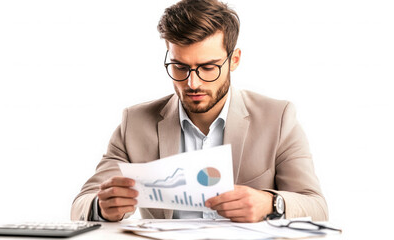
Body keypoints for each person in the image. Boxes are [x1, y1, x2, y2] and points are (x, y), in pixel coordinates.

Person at [71, 0, 328, 223]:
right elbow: (81, 204)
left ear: (234, 60)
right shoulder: (136, 123)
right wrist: (102, 207)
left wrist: (271, 204)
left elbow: (316, 207)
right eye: (180, 67)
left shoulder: (278, 118)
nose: (192, 83)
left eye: (208, 67)